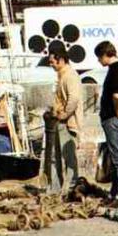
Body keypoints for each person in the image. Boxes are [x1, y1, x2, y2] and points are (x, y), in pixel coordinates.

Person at [95, 41, 118, 206]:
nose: (98, 61)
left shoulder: (117, 70)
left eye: (99, 57)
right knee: (115, 157)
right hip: (111, 119)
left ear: (105, 54)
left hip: (113, 119)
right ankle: (115, 193)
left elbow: (117, 95)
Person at [48, 49, 83, 196]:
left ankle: (70, 189)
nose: (51, 65)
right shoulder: (62, 76)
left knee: (69, 159)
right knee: (56, 157)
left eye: (52, 62)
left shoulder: (70, 76)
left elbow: (73, 98)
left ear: (61, 60)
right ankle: (56, 190)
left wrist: (65, 114)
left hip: (68, 123)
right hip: (59, 121)